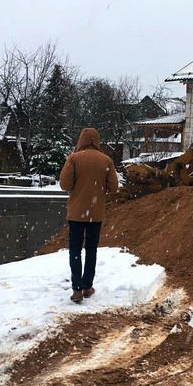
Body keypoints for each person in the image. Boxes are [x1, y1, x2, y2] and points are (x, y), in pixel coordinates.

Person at [59, 127, 119, 303]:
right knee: (91, 250)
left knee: (75, 250)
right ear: (97, 141)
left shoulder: (74, 158)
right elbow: (114, 188)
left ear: (81, 140)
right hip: (96, 214)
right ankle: (87, 287)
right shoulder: (106, 160)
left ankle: (76, 289)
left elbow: (65, 184)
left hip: (76, 214)